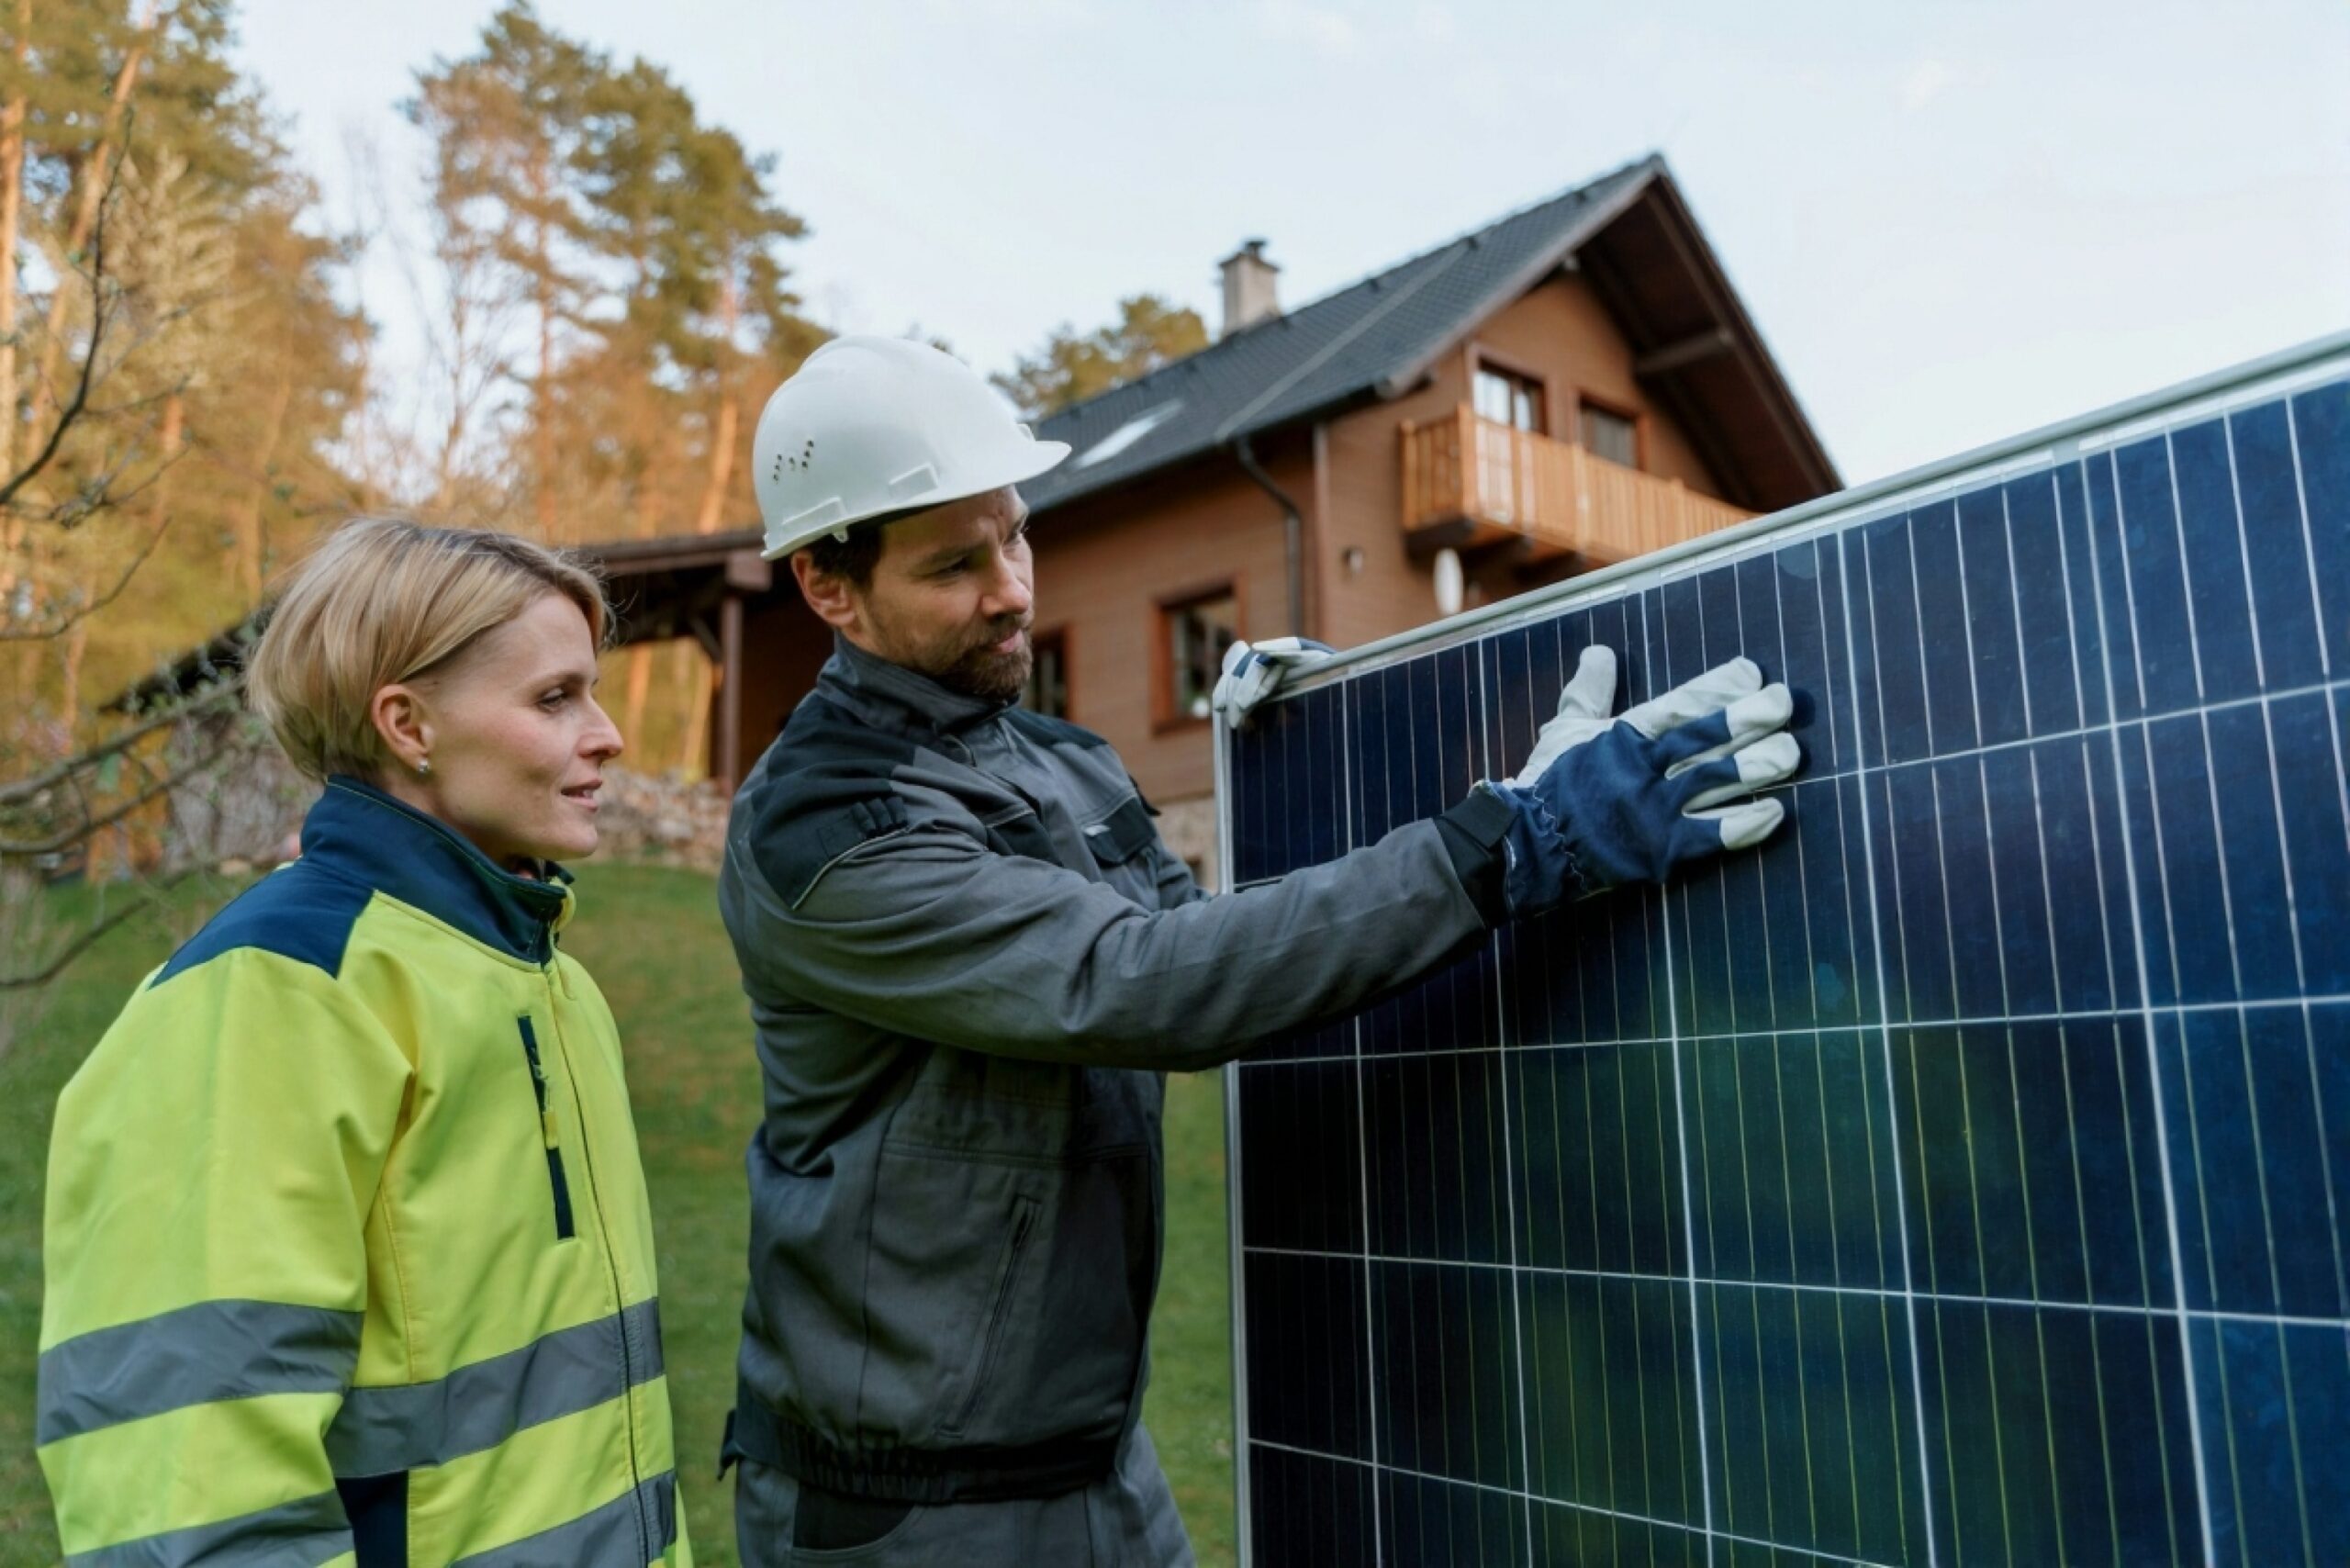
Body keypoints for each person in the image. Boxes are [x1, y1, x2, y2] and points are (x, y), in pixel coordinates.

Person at [716, 337, 1798, 1565]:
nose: (1013, 588)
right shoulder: (823, 828)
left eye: (1014, 534)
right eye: (956, 564)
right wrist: (1515, 838)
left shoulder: (1062, 761)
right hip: (905, 1513)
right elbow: (1137, 984)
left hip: (1104, 1467)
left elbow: (1228, 953)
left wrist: (1333, 753)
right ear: (826, 586)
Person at [37, 518, 692, 1567]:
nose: (608, 732)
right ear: (408, 724)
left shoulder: (553, 980)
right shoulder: (273, 988)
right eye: (555, 697)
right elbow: (190, 1482)